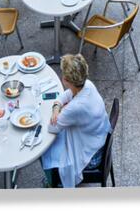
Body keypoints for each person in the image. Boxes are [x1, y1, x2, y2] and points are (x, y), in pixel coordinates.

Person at [41, 53, 111, 188]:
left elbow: (52, 127)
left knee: (45, 151)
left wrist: (58, 108)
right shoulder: (87, 85)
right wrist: (57, 106)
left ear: (66, 80)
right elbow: (68, 94)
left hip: (92, 155)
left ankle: (52, 182)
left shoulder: (75, 108)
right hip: (97, 139)